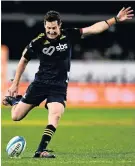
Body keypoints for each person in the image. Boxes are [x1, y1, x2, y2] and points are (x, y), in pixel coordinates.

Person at [2, 7, 134, 158]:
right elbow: (23, 60)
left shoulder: (69, 35)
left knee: (56, 114)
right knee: (16, 117)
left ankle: (40, 150)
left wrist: (115, 19)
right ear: (45, 26)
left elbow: (93, 29)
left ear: (60, 25)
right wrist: (15, 84)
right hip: (40, 84)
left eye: (54, 28)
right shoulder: (37, 42)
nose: (51, 31)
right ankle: (16, 101)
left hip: (58, 86)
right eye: (48, 28)